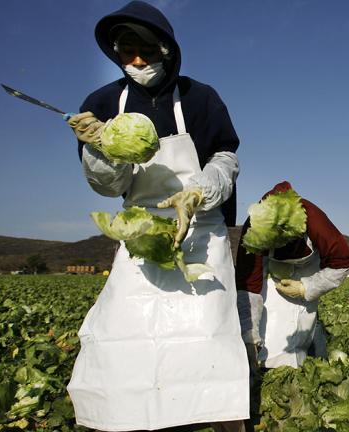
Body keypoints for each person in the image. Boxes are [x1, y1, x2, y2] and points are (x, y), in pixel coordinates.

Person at [64, 2, 248, 431]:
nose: (138, 60)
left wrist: (199, 193)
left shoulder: (201, 98)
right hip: (142, 233)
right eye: (127, 51)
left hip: (200, 229)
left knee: (207, 333)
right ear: (116, 52)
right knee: (122, 330)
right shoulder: (103, 102)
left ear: (166, 48)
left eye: (146, 49)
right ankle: (119, 418)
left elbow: (226, 158)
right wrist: (98, 149)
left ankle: (224, 419)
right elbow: (109, 186)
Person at [235, 181, 349, 369]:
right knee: (270, 316)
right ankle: (261, 358)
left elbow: (342, 262)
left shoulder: (314, 219)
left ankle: (300, 357)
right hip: (271, 267)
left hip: (308, 267)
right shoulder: (254, 226)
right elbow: (249, 284)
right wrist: (249, 336)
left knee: (300, 320)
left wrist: (306, 287)